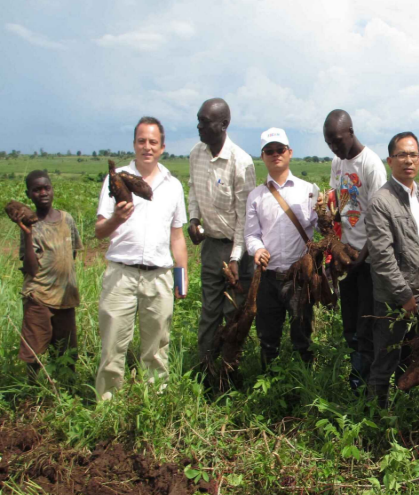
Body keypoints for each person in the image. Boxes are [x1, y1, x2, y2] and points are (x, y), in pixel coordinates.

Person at [95, 117, 188, 401]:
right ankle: (107, 407)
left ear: (162, 147)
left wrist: (181, 279)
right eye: (141, 141)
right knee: (112, 347)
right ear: (134, 144)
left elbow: (177, 237)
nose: (147, 147)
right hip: (121, 274)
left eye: (153, 142)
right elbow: (100, 231)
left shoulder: (172, 185)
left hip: (158, 276)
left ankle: (154, 407)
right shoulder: (117, 179)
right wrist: (116, 218)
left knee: (157, 349)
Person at [187, 98, 256, 371]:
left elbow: (245, 218)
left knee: (233, 314)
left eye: (205, 121)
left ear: (224, 124)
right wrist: (193, 218)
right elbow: (193, 189)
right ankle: (204, 367)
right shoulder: (196, 153)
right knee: (209, 311)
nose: (199, 126)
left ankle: (228, 371)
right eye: (199, 120)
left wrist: (237, 257)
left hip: (236, 251)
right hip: (211, 247)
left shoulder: (241, 162)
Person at [365, 132, 419, 407]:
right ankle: (375, 418)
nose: (408, 160)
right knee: (385, 359)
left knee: (415, 358)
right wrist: (405, 297)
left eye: (413, 154)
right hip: (394, 301)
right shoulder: (381, 201)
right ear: (390, 160)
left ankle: (407, 411)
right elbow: (382, 258)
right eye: (402, 155)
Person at [245, 128, 321, 366]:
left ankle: (306, 382)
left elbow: (322, 228)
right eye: (270, 151)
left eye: (280, 150)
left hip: (299, 277)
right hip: (268, 277)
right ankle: (270, 383)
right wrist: (257, 249)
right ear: (263, 156)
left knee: (303, 336)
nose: (275, 154)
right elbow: (251, 234)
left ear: (290, 153)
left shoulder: (309, 190)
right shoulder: (256, 196)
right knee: (268, 336)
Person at [324, 109, 387, 390]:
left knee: (366, 322)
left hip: (369, 260)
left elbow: (379, 222)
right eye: (329, 143)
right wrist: (331, 223)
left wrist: (360, 260)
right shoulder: (338, 163)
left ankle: (366, 382)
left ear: (350, 132)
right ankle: (356, 374)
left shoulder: (371, 165)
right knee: (349, 321)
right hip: (348, 256)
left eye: (338, 140)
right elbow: (340, 203)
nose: (335, 147)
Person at [16, 171, 83, 380]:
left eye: (46, 188)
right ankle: (32, 394)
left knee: (67, 352)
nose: (43, 193)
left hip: (66, 297)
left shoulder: (67, 219)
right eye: (36, 190)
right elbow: (31, 268)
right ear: (29, 194)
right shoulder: (30, 225)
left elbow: (71, 253)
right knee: (33, 353)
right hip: (39, 297)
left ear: (52, 189)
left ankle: (66, 392)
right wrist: (27, 235)